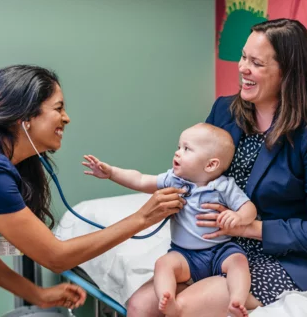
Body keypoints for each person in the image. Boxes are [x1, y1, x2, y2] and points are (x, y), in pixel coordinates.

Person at [126, 18, 307, 317]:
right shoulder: (225, 111)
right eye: (244, 56)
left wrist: (248, 227)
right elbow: (198, 173)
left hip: (290, 260)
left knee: (186, 308)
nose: (242, 67)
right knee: (139, 306)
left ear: (287, 72)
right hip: (221, 249)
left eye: (256, 62)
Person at [0, 65, 186, 317]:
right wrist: (143, 217)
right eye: (58, 108)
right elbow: (56, 257)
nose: (66, 118)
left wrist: (37, 294)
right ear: (25, 117)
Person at [82, 123, 257, 317]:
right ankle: (167, 298)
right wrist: (112, 173)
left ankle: (237, 300)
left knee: (239, 262)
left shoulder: (224, 186)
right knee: (163, 264)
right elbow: (140, 180)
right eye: (179, 147)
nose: (177, 153)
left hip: (221, 250)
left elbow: (249, 208)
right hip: (185, 255)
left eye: (187, 149)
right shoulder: (173, 179)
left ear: (211, 165)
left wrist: (238, 217)